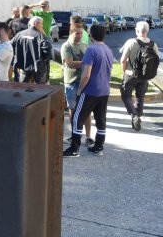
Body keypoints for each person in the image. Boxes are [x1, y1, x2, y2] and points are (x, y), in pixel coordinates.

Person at [63, 25, 114, 157]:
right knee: (101, 119)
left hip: (91, 90)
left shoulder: (91, 50)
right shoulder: (108, 49)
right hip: (104, 90)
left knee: (77, 118)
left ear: (91, 35)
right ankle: (98, 147)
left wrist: (80, 89)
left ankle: (74, 149)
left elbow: (86, 75)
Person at [119, 21, 159, 132]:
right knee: (140, 98)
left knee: (126, 96)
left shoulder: (131, 42)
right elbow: (155, 61)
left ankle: (134, 116)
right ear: (148, 31)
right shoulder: (153, 44)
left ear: (136, 30)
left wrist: (124, 72)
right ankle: (138, 117)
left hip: (130, 74)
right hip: (145, 76)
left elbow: (123, 60)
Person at [61, 27, 91, 143]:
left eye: (81, 33)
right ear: (71, 33)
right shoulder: (66, 46)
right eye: (77, 33)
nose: (79, 35)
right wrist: (87, 63)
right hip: (71, 82)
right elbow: (70, 63)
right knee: (73, 109)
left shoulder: (84, 45)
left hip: (84, 81)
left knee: (86, 110)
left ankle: (88, 137)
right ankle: (74, 135)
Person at [10, 16, 52, 84]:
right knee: (40, 88)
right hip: (38, 68)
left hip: (23, 67)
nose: (42, 26)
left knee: (23, 87)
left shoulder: (19, 34)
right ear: (36, 23)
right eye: (41, 24)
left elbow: (11, 46)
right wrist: (45, 59)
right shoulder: (40, 36)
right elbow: (47, 49)